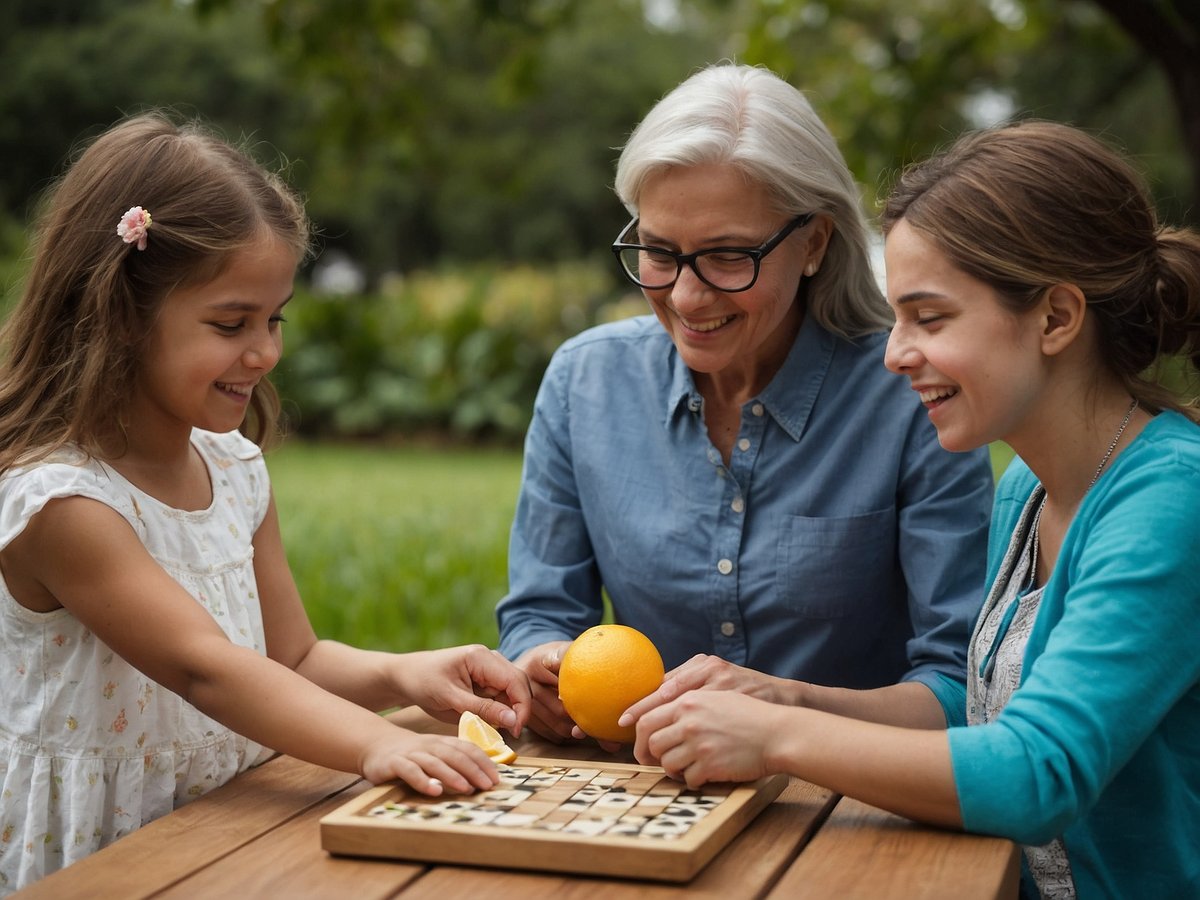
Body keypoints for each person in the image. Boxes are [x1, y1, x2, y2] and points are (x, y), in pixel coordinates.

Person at [624, 120, 1200, 899]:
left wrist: (778, 736)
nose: (894, 354)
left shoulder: (1171, 500)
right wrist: (785, 694)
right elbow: (982, 709)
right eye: (897, 317)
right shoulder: (1026, 489)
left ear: (1057, 318)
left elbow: (1038, 771)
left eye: (929, 319)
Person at [0, 113, 531, 894]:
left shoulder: (235, 468)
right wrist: (373, 746)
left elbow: (293, 660)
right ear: (119, 314)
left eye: (274, 317)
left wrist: (405, 675)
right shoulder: (62, 504)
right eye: (230, 323)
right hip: (110, 850)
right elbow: (204, 668)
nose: (265, 351)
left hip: (236, 821)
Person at [495, 62, 995, 743]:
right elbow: (540, 614)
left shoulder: (910, 395)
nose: (687, 297)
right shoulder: (585, 384)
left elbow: (960, 683)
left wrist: (779, 712)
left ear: (814, 242)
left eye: (729, 257)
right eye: (659, 252)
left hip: (856, 809)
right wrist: (542, 665)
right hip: (649, 799)